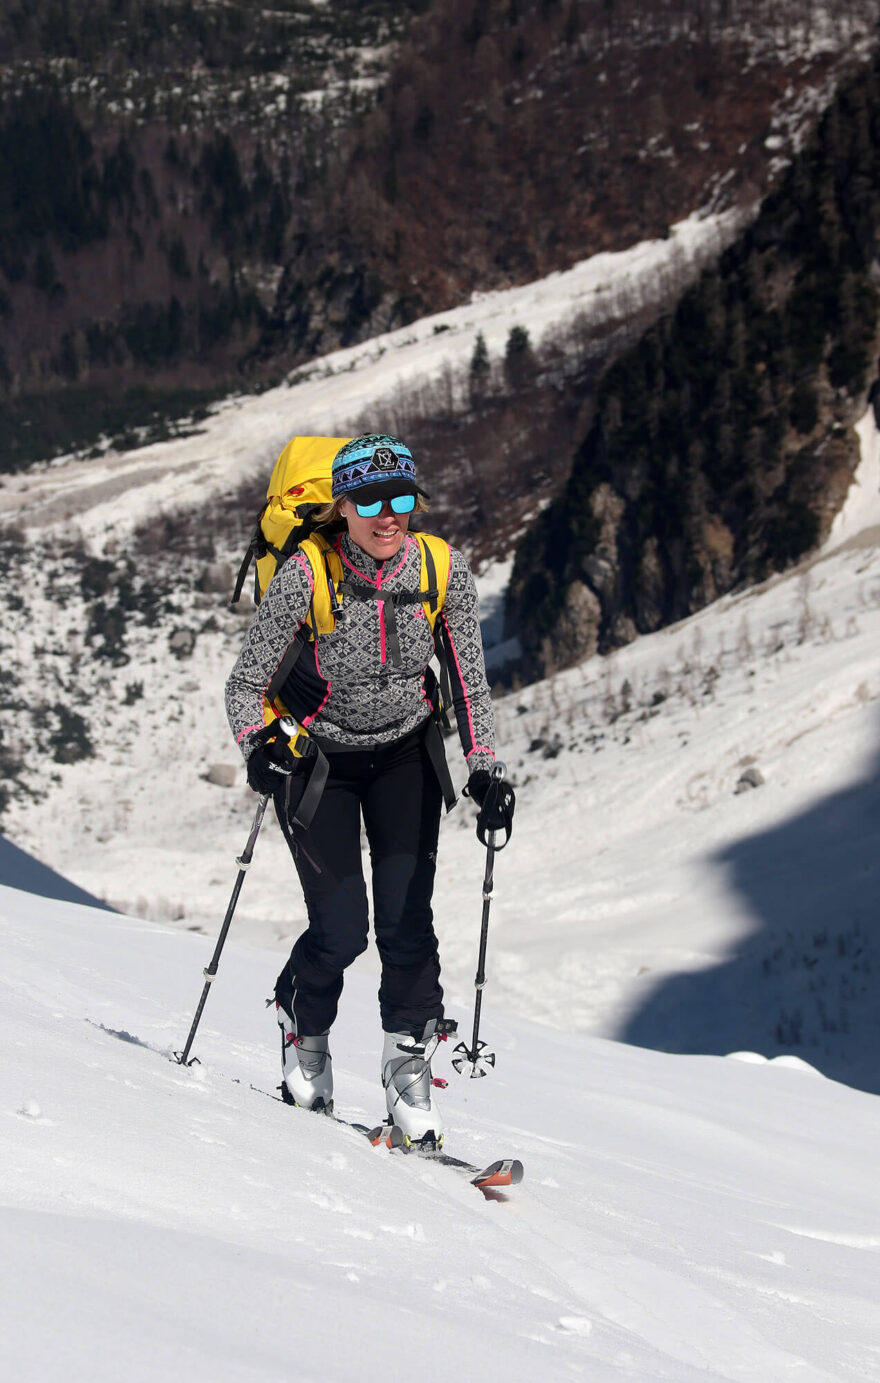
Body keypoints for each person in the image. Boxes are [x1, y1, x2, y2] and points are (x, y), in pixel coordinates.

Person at [224, 433, 513, 1145]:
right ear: (342, 506)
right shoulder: (305, 573)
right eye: (371, 500)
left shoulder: (443, 569)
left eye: (403, 497)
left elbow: (468, 680)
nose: (390, 516)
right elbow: (244, 685)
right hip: (319, 759)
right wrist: (259, 743)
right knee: (343, 927)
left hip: (406, 754)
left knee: (407, 921)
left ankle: (406, 1067)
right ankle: (304, 1020)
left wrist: (485, 767)